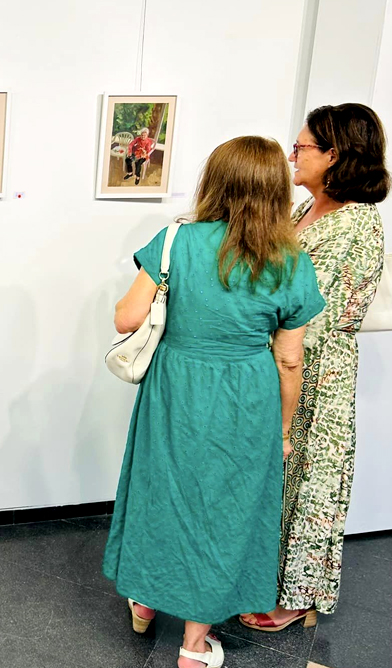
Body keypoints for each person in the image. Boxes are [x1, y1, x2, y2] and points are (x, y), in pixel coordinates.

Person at [102, 137, 325, 668]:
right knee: (224, 508)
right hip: (245, 394)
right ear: (274, 190)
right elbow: (289, 361)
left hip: (176, 386)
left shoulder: (176, 241)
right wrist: (285, 429)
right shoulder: (289, 260)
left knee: (164, 487)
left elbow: (127, 319)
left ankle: (145, 602)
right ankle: (195, 646)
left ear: (215, 182)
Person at [241, 103, 388, 631]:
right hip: (283, 358)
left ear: (336, 155)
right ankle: (265, 577)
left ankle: (299, 596)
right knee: (277, 476)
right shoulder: (306, 211)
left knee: (310, 480)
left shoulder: (354, 223)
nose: (290, 156)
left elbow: (311, 308)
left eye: (301, 147)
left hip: (318, 368)